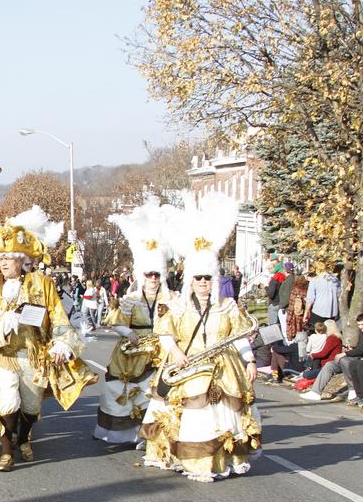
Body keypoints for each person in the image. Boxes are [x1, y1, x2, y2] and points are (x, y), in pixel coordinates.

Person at [140, 193, 261, 482]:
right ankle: (196, 462)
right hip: (188, 366)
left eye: (208, 278)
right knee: (194, 417)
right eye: (198, 278)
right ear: (190, 280)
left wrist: (251, 360)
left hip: (224, 368)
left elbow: (240, 336)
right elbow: (165, 333)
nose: (204, 283)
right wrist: (176, 353)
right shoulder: (178, 306)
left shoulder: (228, 306)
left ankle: (221, 460)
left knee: (224, 417)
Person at [0, 206, 96, 471]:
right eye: (3, 258)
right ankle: (6, 452)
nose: (6, 262)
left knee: (30, 407)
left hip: (33, 354)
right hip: (5, 354)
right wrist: (5, 321)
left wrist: (62, 343)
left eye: (11, 258)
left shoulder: (42, 283)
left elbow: (58, 317)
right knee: (8, 401)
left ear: (21, 260)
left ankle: (23, 438)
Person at [95, 202, 176, 444]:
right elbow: (116, 322)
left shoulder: (172, 299)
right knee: (121, 390)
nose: (153, 279)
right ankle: (126, 432)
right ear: (141, 276)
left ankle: (152, 434)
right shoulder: (130, 299)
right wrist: (128, 332)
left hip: (161, 350)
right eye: (149, 274)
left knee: (155, 392)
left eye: (156, 275)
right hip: (133, 350)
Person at [300, 313, 363, 401]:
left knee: (343, 359)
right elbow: (359, 348)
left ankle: (352, 389)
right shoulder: (362, 333)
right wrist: (350, 350)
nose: (360, 327)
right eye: (359, 325)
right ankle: (315, 392)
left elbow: (362, 350)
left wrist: (345, 353)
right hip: (353, 358)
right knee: (329, 365)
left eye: (362, 324)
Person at [304, 261, 341, 325]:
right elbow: (339, 295)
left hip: (318, 311)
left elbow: (310, 299)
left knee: (318, 332)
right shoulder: (336, 280)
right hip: (332, 312)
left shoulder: (315, 280)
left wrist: (306, 312)